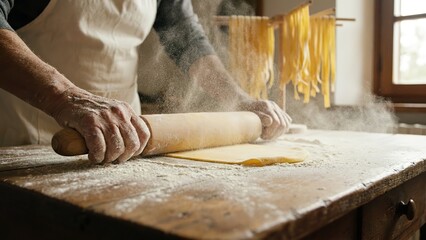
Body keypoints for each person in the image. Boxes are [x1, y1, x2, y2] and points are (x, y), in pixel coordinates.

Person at [0, 0, 291, 164]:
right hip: (33, 141)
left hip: (125, 141)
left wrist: (238, 100)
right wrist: (66, 98)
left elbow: (188, 40)